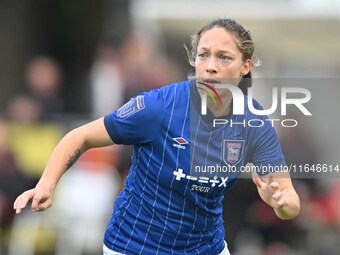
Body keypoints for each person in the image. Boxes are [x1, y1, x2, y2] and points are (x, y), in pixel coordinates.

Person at [13, 18, 300, 255]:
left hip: (205, 248)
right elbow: (80, 136)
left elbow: (290, 201)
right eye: (204, 55)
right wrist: (46, 185)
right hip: (135, 245)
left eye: (224, 57)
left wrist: (279, 202)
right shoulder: (158, 107)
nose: (211, 65)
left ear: (245, 67)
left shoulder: (253, 120)